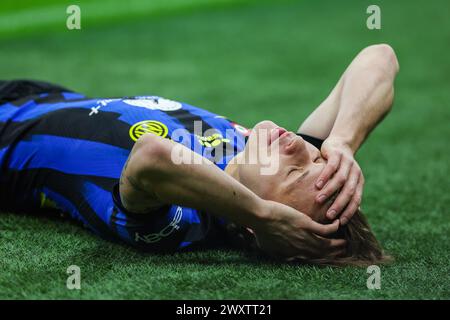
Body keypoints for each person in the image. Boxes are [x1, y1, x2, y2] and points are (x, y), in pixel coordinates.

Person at [0, 44, 399, 266]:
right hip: (38, 96)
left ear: (256, 227)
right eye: (315, 159)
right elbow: (380, 58)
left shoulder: (185, 222)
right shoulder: (257, 153)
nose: (299, 147)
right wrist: (342, 142)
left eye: (294, 173)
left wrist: (259, 216)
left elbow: (151, 156)